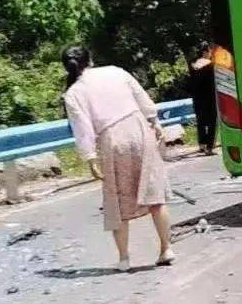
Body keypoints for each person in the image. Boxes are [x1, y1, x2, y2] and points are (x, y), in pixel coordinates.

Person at [63, 46, 174, 271]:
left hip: (111, 139)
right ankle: (166, 248)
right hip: (139, 129)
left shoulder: (73, 93)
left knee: (117, 200)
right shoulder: (115, 71)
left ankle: (124, 259)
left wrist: (90, 158)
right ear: (90, 59)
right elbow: (142, 99)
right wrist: (155, 122)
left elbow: (83, 128)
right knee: (155, 194)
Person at [188, 42, 217, 155]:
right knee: (212, 122)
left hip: (197, 98)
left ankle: (201, 145)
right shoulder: (211, 65)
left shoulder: (193, 65)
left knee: (200, 121)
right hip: (210, 97)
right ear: (206, 51)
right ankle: (209, 147)